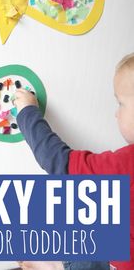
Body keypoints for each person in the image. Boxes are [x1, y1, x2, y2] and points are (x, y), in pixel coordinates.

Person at [14, 53, 134, 270]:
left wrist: (26, 112)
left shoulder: (127, 163)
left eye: (120, 103)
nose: (116, 114)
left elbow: (58, 162)